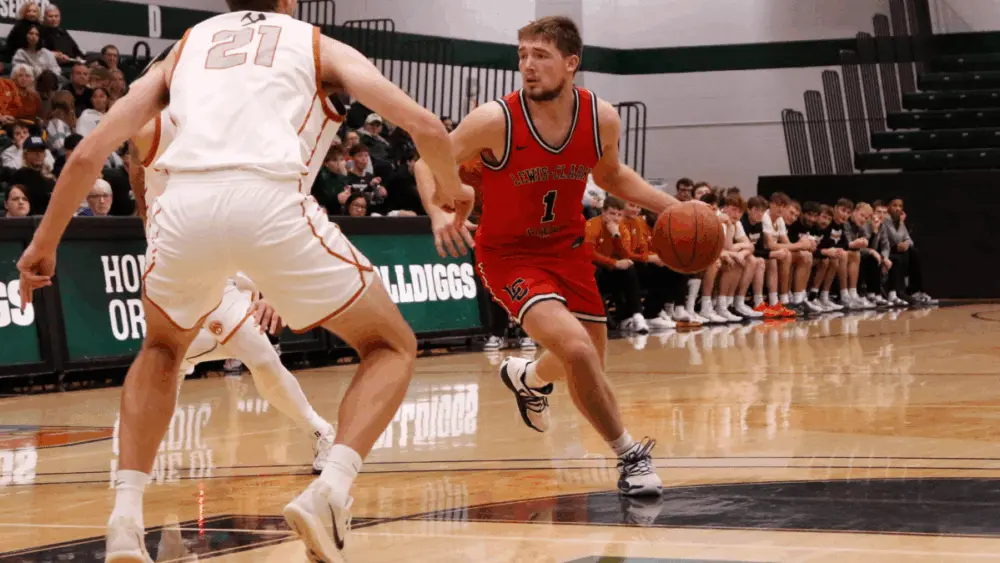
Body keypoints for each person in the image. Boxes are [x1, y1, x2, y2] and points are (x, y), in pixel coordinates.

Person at [15, 1, 467, 562]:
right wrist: (452, 190)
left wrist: (43, 243)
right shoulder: (317, 43)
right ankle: (330, 490)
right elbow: (424, 125)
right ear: (287, 2)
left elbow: (87, 153)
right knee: (390, 344)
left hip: (183, 209)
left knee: (160, 348)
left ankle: (125, 523)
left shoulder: (183, 48)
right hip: (269, 198)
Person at [414, 16, 678, 497]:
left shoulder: (601, 116)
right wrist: (437, 214)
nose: (528, 67)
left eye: (541, 56)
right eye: (523, 56)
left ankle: (527, 377)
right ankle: (630, 455)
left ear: (571, 63)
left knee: (587, 361)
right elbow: (426, 161)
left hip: (568, 249)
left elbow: (613, 176)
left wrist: (675, 208)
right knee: (575, 348)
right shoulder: (495, 120)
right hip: (510, 256)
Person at [128, 103, 339, 475]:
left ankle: (320, 430)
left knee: (257, 356)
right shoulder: (151, 126)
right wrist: (149, 221)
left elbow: (268, 206)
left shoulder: (234, 127)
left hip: (220, 267)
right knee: (171, 363)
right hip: (174, 266)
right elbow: (134, 167)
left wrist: (270, 283)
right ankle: (145, 459)